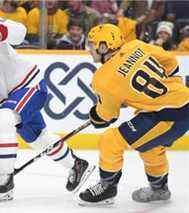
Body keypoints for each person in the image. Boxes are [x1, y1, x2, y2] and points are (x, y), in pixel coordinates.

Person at [0, 9, 94, 202]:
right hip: (9, 102)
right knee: (38, 139)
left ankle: (5, 179)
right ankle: (76, 165)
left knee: (2, 118)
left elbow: (20, 32)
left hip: (30, 86)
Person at [78, 23, 189, 206]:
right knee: (149, 144)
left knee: (110, 140)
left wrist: (95, 115)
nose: (89, 48)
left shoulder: (103, 79)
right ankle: (159, 188)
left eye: (92, 44)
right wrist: (171, 87)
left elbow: (107, 116)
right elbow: (170, 60)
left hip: (167, 115)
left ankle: (107, 188)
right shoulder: (135, 45)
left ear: (104, 46)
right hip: (183, 102)